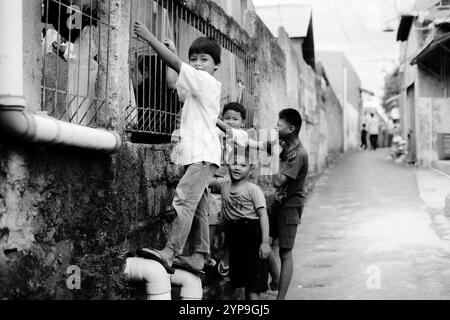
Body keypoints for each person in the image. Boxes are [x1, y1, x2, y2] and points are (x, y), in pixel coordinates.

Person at [133, 21, 222, 273]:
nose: (197, 63)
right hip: (200, 155)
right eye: (194, 59)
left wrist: (150, 38)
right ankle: (200, 255)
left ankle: (170, 252)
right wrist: (178, 55)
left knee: (183, 201)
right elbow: (175, 84)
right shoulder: (197, 87)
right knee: (200, 207)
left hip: (201, 156)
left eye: (204, 59)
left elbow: (176, 66)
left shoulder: (206, 82)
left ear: (216, 66)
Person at [209, 152, 272, 300]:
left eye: (243, 165)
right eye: (234, 163)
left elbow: (263, 216)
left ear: (251, 168)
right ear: (226, 164)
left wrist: (264, 243)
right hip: (234, 237)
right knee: (242, 281)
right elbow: (205, 181)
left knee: (253, 285)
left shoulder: (253, 190)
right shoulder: (224, 184)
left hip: (252, 236)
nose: (237, 168)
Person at [270, 108, 309, 300]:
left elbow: (277, 181)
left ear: (291, 128)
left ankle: (281, 298)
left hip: (290, 207)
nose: (275, 126)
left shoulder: (298, 154)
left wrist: (274, 156)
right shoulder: (285, 145)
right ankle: (276, 279)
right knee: (264, 244)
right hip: (278, 203)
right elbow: (254, 144)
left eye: (279, 124)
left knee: (285, 253)